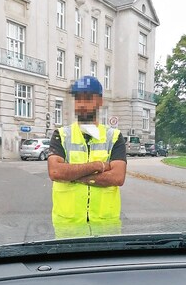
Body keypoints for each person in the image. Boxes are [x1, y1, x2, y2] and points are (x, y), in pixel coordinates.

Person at [47, 76, 127, 237]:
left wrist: (72, 175)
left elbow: (117, 177)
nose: (82, 104)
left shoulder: (114, 137)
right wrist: (98, 166)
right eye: (78, 99)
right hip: (68, 227)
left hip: (106, 227)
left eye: (88, 98)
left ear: (100, 101)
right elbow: (55, 172)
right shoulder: (61, 135)